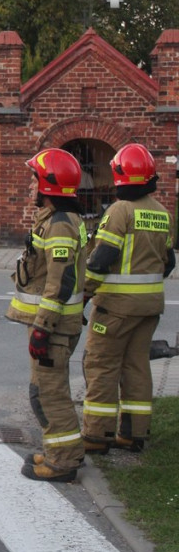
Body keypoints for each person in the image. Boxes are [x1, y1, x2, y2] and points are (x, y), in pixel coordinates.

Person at [82, 143, 174, 454]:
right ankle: (134, 434)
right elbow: (169, 262)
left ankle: (97, 435)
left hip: (115, 308)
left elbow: (101, 258)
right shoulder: (162, 213)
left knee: (102, 365)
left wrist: (83, 294)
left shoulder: (119, 211)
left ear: (120, 176)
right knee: (137, 366)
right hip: (150, 307)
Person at [6, 149, 87, 483]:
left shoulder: (60, 226)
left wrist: (42, 327)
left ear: (48, 184)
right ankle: (58, 453)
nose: (32, 185)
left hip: (52, 327)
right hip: (52, 324)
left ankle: (63, 462)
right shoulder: (58, 219)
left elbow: (61, 281)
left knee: (50, 394)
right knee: (44, 390)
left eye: (35, 179)